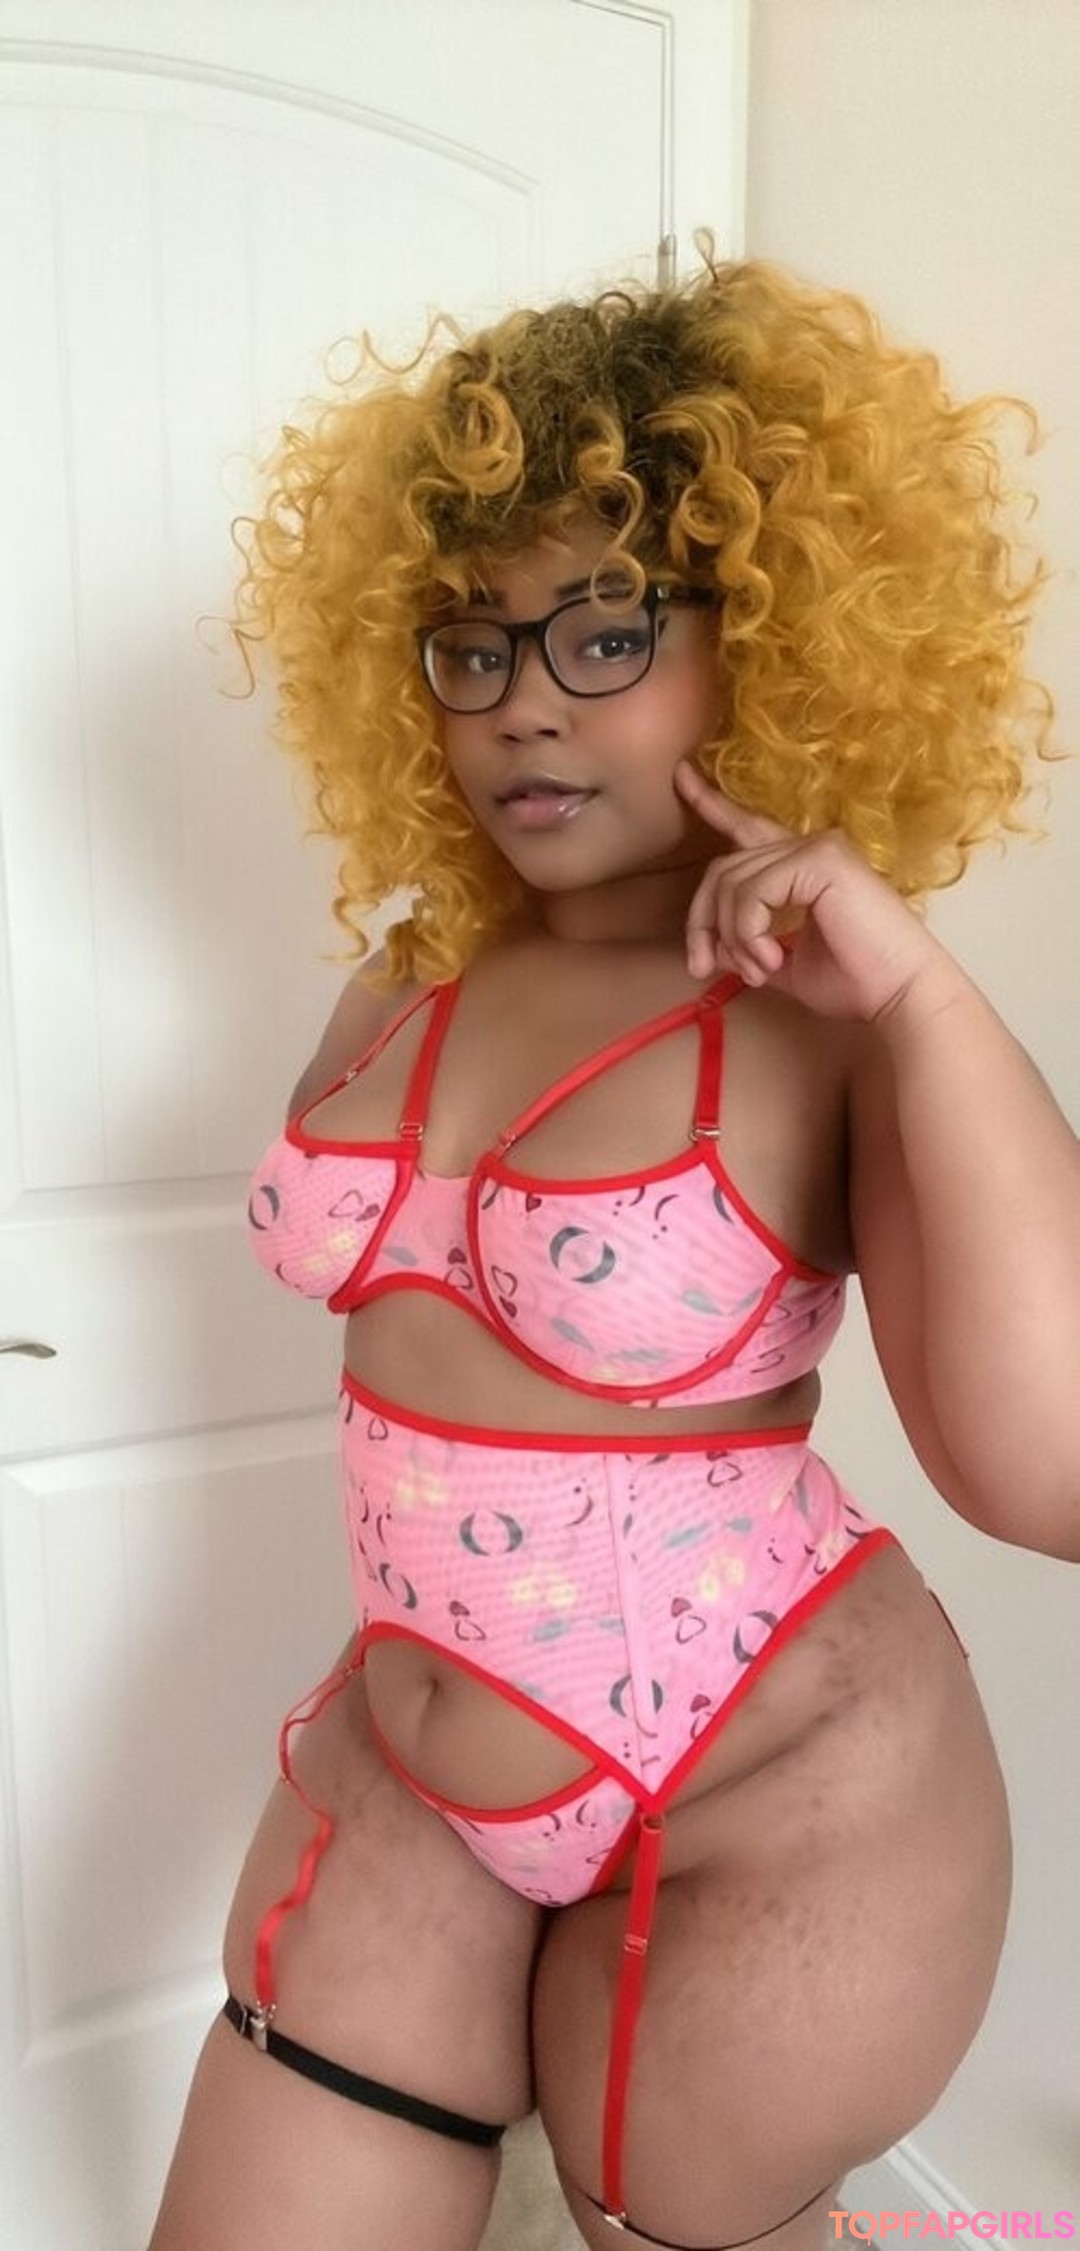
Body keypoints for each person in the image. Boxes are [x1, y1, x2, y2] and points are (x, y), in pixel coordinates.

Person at [150, 246, 1080, 2251]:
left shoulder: (828, 1009)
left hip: (776, 1793)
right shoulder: (412, 969)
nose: (521, 708)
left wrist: (923, 997)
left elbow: (1055, 1470)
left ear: (772, 635)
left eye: (602, 631)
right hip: (415, 1757)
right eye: (469, 647)